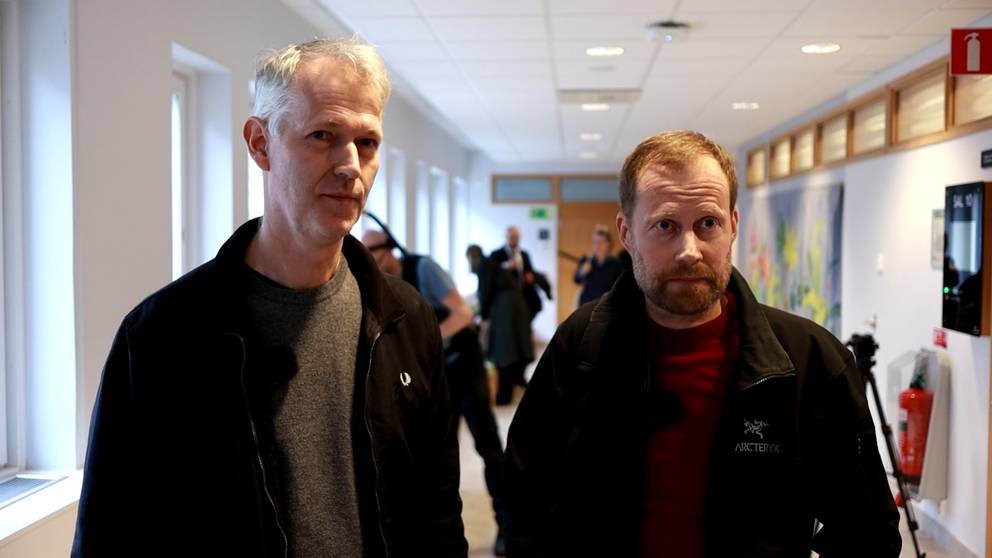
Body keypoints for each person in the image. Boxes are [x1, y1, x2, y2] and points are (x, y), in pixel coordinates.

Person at [72, 38, 467, 557]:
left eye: (367, 142)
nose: (350, 164)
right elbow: (110, 531)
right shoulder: (164, 334)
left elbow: (437, 510)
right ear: (261, 144)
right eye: (323, 135)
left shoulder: (404, 317)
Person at [503, 130, 901, 557]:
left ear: (733, 226)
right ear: (626, 232)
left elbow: (867, 531)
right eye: (665, 226)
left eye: (707, 224)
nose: (689, 250)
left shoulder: (807, 359)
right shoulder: (580, 345)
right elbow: (526, 495)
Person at [361, 228, 508, 555]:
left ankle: (507, 525)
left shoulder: (423, 268)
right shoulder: (378, 286)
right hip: (436, 372)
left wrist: (422, 340)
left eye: (373, 252)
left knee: (488, 445)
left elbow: (463, 313)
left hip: (465, 366)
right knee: (437, 454)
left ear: (389, 250)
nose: (369, 261)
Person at [467, 245, 534, 406]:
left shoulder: (484, 265)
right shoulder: (491, 264)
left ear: (472, 256)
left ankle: (504, 397)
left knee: (505, 352)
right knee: (513, 350)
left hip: (506, 309)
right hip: (514, 306)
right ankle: (509, 391)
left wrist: (480, 317)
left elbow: (484, 292)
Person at [490, 226, 544, 322]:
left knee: (527, 316)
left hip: (523, 294)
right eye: (512, 237)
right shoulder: (496, 254)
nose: (515, 240)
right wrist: (507, 266)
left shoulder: (524, 254)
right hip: (506, 296)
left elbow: (530, 270)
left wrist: (530, 276)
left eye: (517, 237)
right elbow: (492, 274)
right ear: (506, 237)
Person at [573, 224, 624, 306]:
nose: (597, 245)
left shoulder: (616, 263)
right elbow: (576, 279)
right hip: (587, 305)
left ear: (608, 244)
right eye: (595, 242)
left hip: (606, 305)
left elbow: (621, 286)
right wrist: (582, 272)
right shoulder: (586, 259)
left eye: (600, 242)